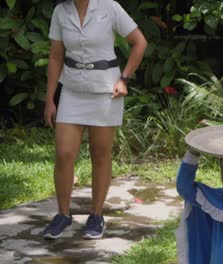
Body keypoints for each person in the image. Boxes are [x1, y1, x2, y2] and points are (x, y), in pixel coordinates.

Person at [42, 0, 147, 239]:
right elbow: (56, 56)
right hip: (71, 90)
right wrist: (50, 99)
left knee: (100, 154)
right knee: (64, 153)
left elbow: (140, 42)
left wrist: (124, 79)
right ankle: (63, 215)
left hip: (105, 91)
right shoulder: (61, 11)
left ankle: (96, 216)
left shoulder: (110, 7)